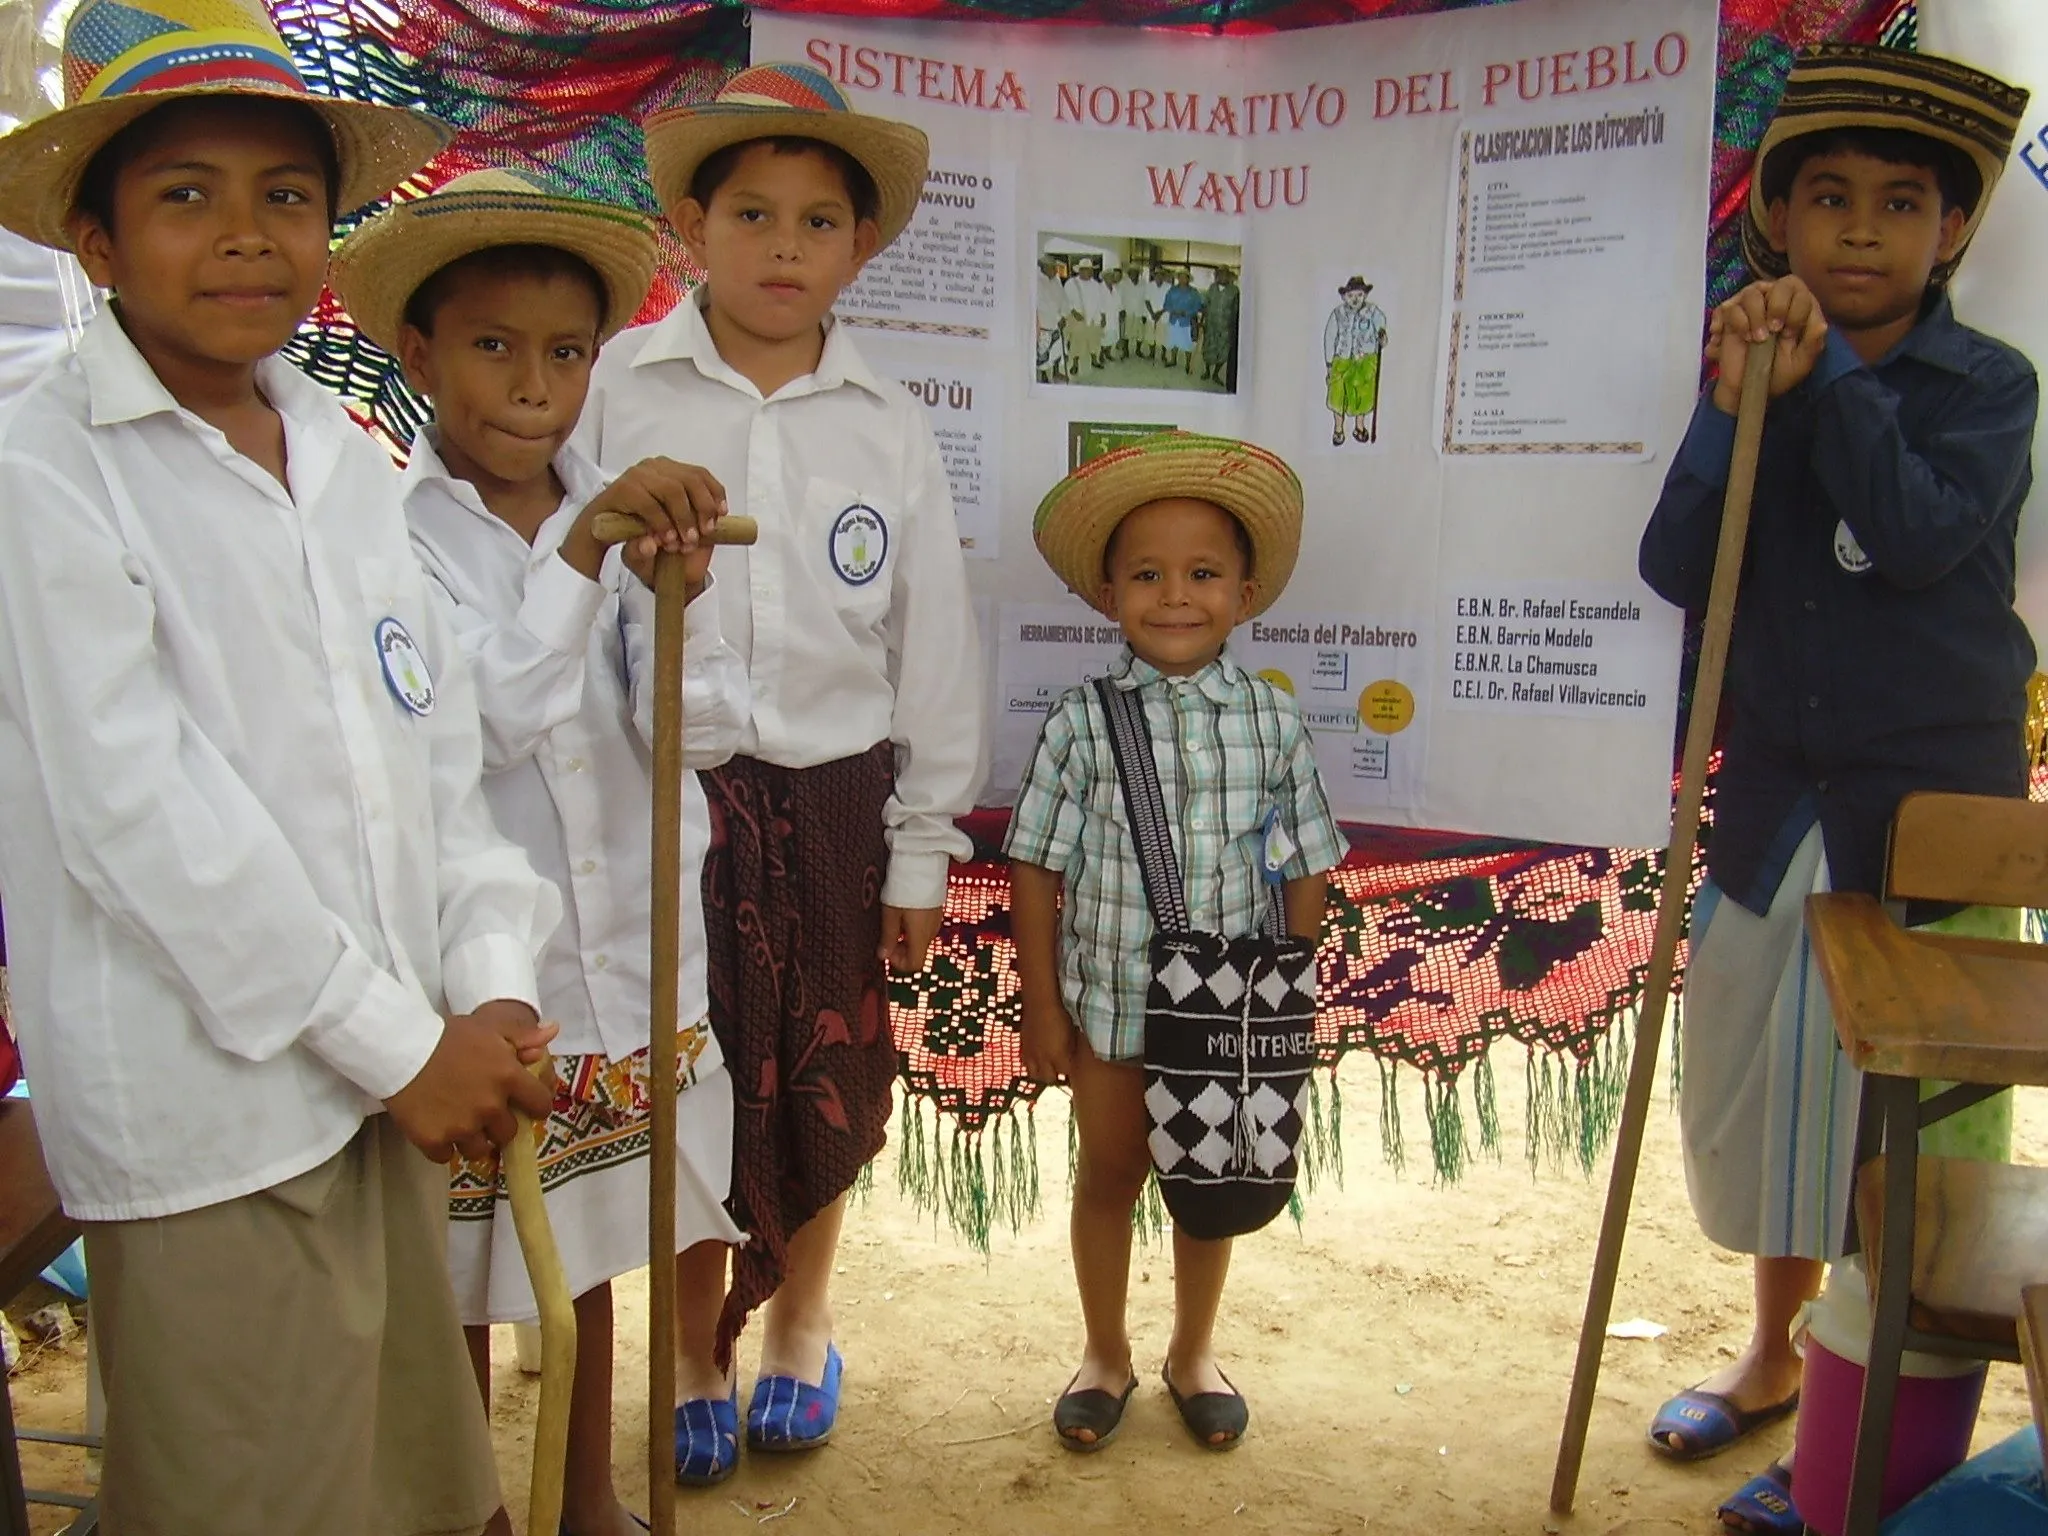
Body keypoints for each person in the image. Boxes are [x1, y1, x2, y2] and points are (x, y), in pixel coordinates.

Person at [0, 2, 568, 1530]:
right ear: (97, 239)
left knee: (400, 1484)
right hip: (215, 1118)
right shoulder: (43, 470)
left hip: (381, 1093)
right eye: (186, 195)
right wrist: (402, 1045)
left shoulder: (333, 450)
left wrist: (494, 973)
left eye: (287, 198)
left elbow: (432, 752)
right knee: (250, 1491)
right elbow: (143, 823)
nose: (246, 237)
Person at [1636, 44, 2035, 1536]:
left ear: (1950, 235)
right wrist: (1743, 404)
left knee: (1917, 1121)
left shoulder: (1988, 384)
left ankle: (1880, 1435)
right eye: (1827, 199)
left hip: (1933, 814)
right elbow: (1681, 568)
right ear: (1780, 223)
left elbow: (1924, 536)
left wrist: (1836, 383)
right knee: (1774, 1092)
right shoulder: (1752, 378)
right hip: (1779, 800)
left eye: (1900, 203)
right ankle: (1774, 1356)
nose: (1860, 229)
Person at [575, 60, 984, 1475]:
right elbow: (554, 597)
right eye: (752, 213)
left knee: (828, 1070)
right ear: (692, 221)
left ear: (862, 246)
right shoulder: (615, 390)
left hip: (832, 806)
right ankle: (692, 1342)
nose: (785, 247)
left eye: (820, 221)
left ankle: (803, 1321)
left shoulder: (887, 421)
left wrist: (921, 840)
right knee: (689, 1077)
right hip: (663, 801)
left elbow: (929, 642)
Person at [331, 168, 753, 1523]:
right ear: (417, 352)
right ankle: (475, 1512)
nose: (532, 384)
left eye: (565, 353)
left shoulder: (618, 520)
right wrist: (586, 556)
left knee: (586, 1246)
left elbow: (704, 727)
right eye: (493, 347)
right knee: (462, 1261)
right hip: (481, 977)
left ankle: (583, 1499)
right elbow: (490, 728)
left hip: (625, 955)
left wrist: (677, 596)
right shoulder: (381, 541)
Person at [1006, 431, 1346, 1455]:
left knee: (1211, 1187)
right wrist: (1040, 1007)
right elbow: (1035, 866)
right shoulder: (1077, 721)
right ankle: (1103, 1353)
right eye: (1146, 574)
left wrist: (1282, 999)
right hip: (1108, 1007)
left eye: (1202, 574)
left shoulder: (1274, 727)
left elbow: (1303, 867)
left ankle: (1191, 1352)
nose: (1174, 595)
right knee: (1108, 1174)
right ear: (1109, 592)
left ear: (1244, 595)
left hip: (1231, 1018)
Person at [1323, 276, 1387, 445]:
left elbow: (1381, 323)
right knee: (1338, 395)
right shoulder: (1338, 314)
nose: (1355, 299)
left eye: (1359, 295)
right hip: (1342, 360)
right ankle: (1338, 429)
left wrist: (1381, 334)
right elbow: (1330, 338)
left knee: (1361, 394)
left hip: (1364, 360)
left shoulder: (1372, 311)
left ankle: (1359, 427)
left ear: (1365, 295)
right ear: (1344, 297)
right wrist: (1329, 363)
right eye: (1351, 296)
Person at [1199, 266, 1239, 390]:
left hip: (1225, 328)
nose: (1222, 277)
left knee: (1223, 352)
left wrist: (1233, 329)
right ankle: (1207, 371)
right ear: (1216, 276)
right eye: (1219, 274)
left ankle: (1216, 374)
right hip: (1210, 325)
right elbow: (1206, 306)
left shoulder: (1235, 291)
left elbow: (1236, 310)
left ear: (1229, 276)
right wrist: (1201, 322)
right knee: (1208, 348)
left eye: (1225, 274)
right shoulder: (1211, 288)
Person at [1161, 269, 1204, 374]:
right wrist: (1173, 311)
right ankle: (1173, 360)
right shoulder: (1172, 290)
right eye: (1180, 277)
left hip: (1187, 322)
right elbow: (1166, 304)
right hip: (1174, 320)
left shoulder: (1194, 292)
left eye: (1185, 277)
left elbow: (1198, 307)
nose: (1182, 279)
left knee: (1187, 344)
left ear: (1188, 279)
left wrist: (1186, 313)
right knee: (1173, 341)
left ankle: (1188, 364)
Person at [1036, 253, 1069, 383]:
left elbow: (1063, 298)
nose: (1056, 270)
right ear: (1044, 268)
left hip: (1058, 321)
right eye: (1052, 268)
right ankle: (1044, 375)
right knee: (1044, 350)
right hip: (1045, 322)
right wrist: (1057, 317)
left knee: (1057, 349)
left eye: (1055, 268)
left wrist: (1064, 315)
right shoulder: (1038, 282)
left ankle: (1056, 372)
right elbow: (1043, 304)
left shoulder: (1057, 280)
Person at [1116, 264, 1149, 360]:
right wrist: (1121, 309)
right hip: (1128, 311)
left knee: (1140, 333)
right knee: (1126, 332)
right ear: (1129, 273)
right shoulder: (1123, 283)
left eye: (1136, 272)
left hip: (1139, 311)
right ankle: (1125, 351)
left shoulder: (1143, 283)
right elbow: (1119, 298)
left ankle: (1138, 350)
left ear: (1139, 274)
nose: (1133, 274)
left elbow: (1145, 299)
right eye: (1132, 272)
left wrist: (1144, 314)